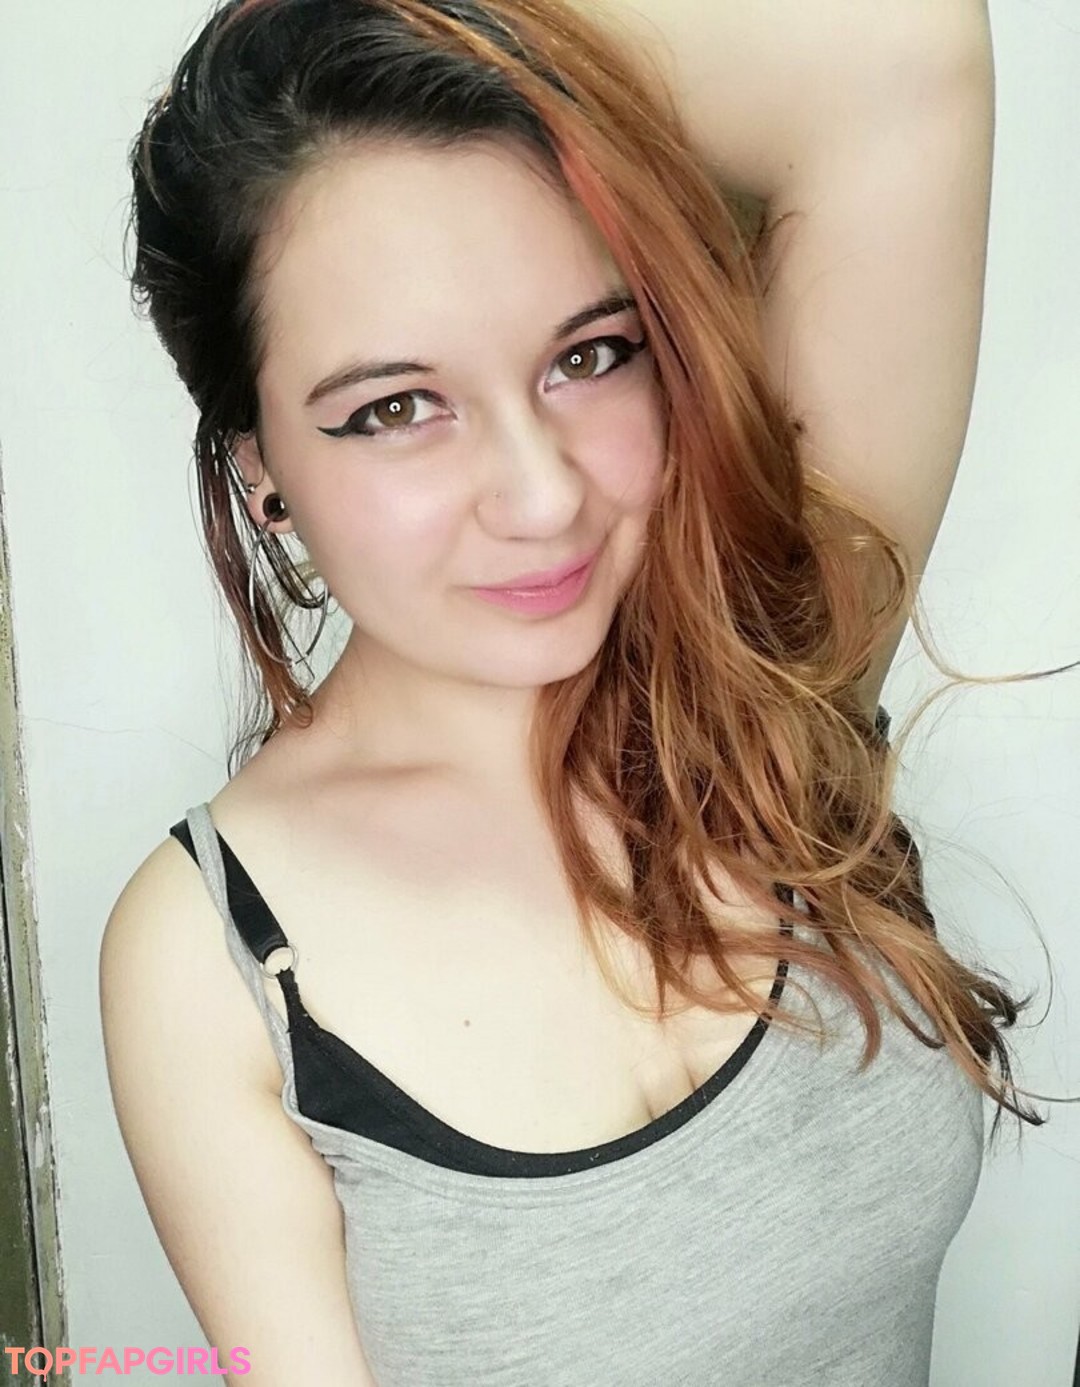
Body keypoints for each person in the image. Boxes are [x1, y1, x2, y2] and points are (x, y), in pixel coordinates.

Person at [100, 2, 1037, 1383]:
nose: (544, 496)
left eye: (588, 355)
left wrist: (376, 28)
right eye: (397, 407)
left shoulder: (766, 666)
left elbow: (902, 49)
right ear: (264, 474)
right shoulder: (216, 962)